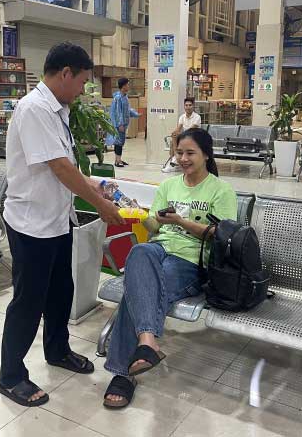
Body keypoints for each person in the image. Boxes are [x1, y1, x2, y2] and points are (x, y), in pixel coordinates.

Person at [0, 42, 125, 408]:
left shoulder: (58, 110)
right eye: (83, 81)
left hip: (56, 220)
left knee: (59, 293)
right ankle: (11, 376)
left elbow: (64, 165)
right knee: (28, 301)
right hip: (31, 224)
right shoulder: (35, 108)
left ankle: (57, 350)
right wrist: (100, 204)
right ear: (65, 73)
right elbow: (59, 167)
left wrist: (96, 186)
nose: (84, 90)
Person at [102, 128, 237, 409]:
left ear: (206, 155)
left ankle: (122, 374)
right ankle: (148, 341)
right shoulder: (168, 186)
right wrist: (149, 216)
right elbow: (151, 228)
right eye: (179, 153)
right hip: (159, 248)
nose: (183, 159)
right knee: (139, 250)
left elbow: (223, 237)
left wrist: (183, 222)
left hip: (191, 261)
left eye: (190, 153)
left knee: (137, 291)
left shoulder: (220, 190)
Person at [162, 98, 202, 173]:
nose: (188, 107)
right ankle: (175, 159)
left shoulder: (197, 117)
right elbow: (178, 128)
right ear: (184, 106)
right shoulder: (182, 117)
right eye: (186, 105)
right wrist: (174, 132)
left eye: (190, 105)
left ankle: (175, 159)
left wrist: (180, 134)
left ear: (193, 106)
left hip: (195, 138)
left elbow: (191, 129)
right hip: (185, 137)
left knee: (177, 141)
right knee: (174, 136)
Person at [107, 78, 140, 168]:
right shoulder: (118, 98)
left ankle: (119, 159)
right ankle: (117, 161)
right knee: (118, 142)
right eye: (127, 84)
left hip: (124, 124)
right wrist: (120, 124)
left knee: (121, 142)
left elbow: (127, 110)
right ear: (123, 86)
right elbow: (118, 112)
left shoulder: (125, 97)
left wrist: (136, 114)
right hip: (119, 124)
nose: (128, 86)